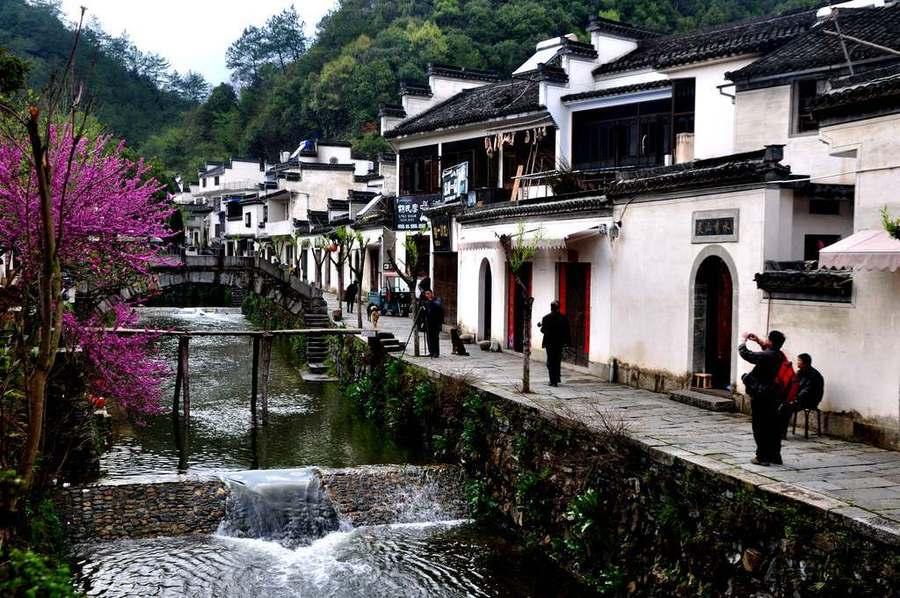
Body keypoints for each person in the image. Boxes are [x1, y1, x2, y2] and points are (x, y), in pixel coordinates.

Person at [739, 330, 787, 466]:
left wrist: (743, 341)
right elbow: (767, 352)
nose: (765, 340)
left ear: (771, 341)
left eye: (767, 339)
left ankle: (762, 457)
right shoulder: (780, 355)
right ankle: (775, 456)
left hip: (762, 395)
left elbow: (747, 355)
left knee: (760, 426)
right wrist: (759, 341)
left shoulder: (768, 356)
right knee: (773, 427)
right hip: (774, 396)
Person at [539, 300, 570, 387]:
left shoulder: (546, 318)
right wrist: (566, 343)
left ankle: (552, 380)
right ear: (558, 307)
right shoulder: (564, 318)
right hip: (559, 343)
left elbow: (543, 330)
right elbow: (567, 332)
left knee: (550, 361)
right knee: (557, 361)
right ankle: (556, 379)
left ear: (551, 307)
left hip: (549, 343)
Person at [422, 289, 443, 358]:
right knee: (429, 338)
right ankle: (431, 351)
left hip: (436, 323)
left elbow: (438, 307)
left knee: (435, 338)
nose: (427, 295)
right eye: (426, 294)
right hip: (428, 323)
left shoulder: (437, 300)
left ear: (431, 293)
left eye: (428, 293)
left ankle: (436, 352)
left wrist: (431, 301)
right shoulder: (426, 302)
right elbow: (425, 312)